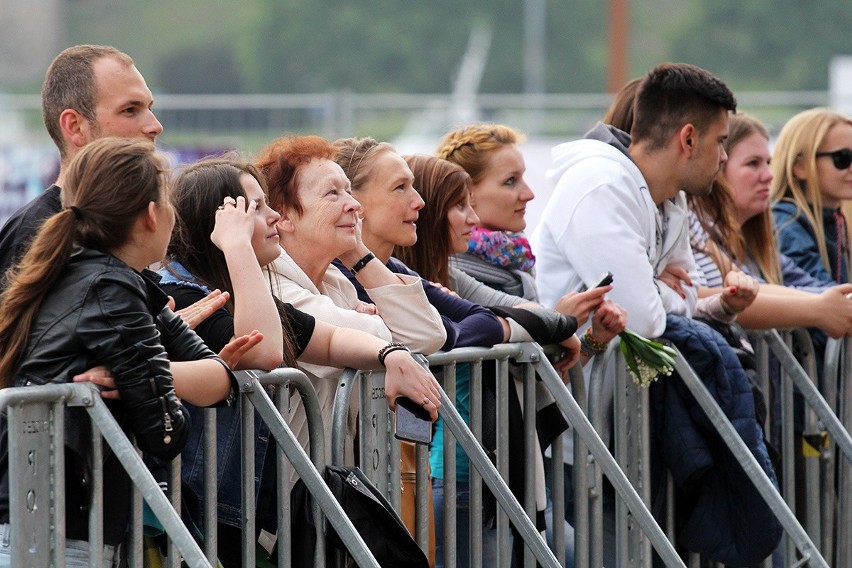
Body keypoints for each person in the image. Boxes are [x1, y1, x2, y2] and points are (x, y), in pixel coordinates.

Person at [532, 63, 781, 566]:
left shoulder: (669, 198)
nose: (725, 156)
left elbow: (681, 297)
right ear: (688, 138)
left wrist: (657, 290)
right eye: (721, 141)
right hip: (582, 432)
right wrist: (655, 288)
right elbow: (645, 319)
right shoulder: (600, 185)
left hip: (632, 428)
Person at [159, 155, 443, 566]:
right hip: (207, 519)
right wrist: (238, 246)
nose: (271, 215)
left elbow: (325, 338)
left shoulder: (258, 289)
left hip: (251, 512)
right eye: (255, 208)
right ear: (217, 225)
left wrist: (390, 353)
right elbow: (265, 350)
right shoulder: (187, 298)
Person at [332, 137, 580, 568]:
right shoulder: (337, 279)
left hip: (427, 473)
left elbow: (482, 321)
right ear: (356, 203)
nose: (419, 202)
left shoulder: (400, 272)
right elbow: (446, 336)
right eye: (400, 188)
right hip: (397, 477)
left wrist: (496, 326)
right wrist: (501, 329)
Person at [0, 138, 236, 567]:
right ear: (151, 215)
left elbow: (219, 375)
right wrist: (164, 382)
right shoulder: (111, 286)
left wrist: (150, 375)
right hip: (56, 525)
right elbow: (167, 433)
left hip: (42, 514)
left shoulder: (100, 274)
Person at [397, 153, 627, 567]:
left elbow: (519, 319)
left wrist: (571, 332)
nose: (472, 218)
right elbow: (491, 326)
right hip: (451, 472)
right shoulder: (409, 278)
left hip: (487, 471)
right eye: (460, 205)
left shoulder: (450, 278)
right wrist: (553, 326)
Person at [771, 108, 852, 284]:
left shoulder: (834, 220)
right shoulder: (786, 223)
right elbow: (823, 295)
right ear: (800, 166)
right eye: (843, 158)